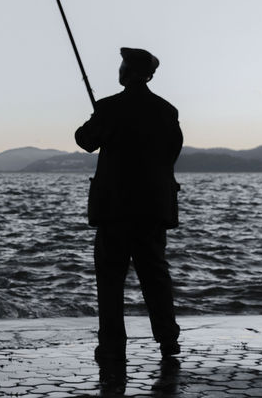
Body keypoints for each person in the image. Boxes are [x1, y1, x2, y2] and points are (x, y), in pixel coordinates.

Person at [75, 47, 183, 373]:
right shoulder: (167, 111)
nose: (119, 69)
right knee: (156, 276)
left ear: (128, 72)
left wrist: (101, 118)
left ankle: (111, 347)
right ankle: (168, 341)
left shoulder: (109, 107)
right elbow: (171, 153)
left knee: (110, 280)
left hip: (115, 210)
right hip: (152, 209)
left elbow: (84, 140)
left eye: (122, 64)